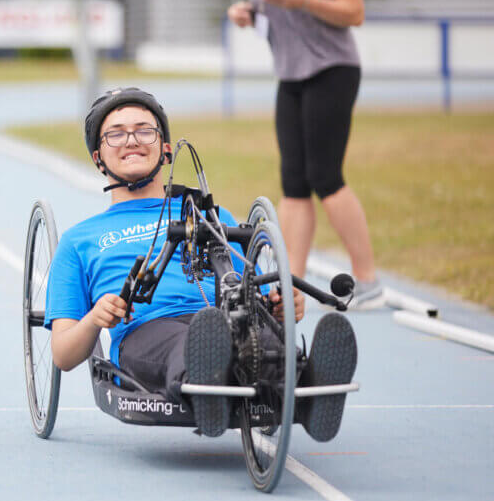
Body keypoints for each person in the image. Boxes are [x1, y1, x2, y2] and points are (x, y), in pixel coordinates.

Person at [44, 87, 357, 441]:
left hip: (231, 317)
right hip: (149, 329)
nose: (131, 140)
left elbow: (262, 291)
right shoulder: (78, 241)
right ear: (98, 156)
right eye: (116, 134)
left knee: (261, 338)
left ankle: (308, 384)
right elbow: (63, 354)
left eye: (144, 130)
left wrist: (283, 305)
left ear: (165, 149)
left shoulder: (213, 216)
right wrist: (94, 319)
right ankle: (204, 381)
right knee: (191, 343)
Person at [226, 0, 381, 307]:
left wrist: (305, 1)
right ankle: (289, 284)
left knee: (325, 177)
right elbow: (261, 2)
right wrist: (246, 13)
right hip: (290, 74)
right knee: (293, 181)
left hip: (332, 70)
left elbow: (354, 12)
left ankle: (369, 279)